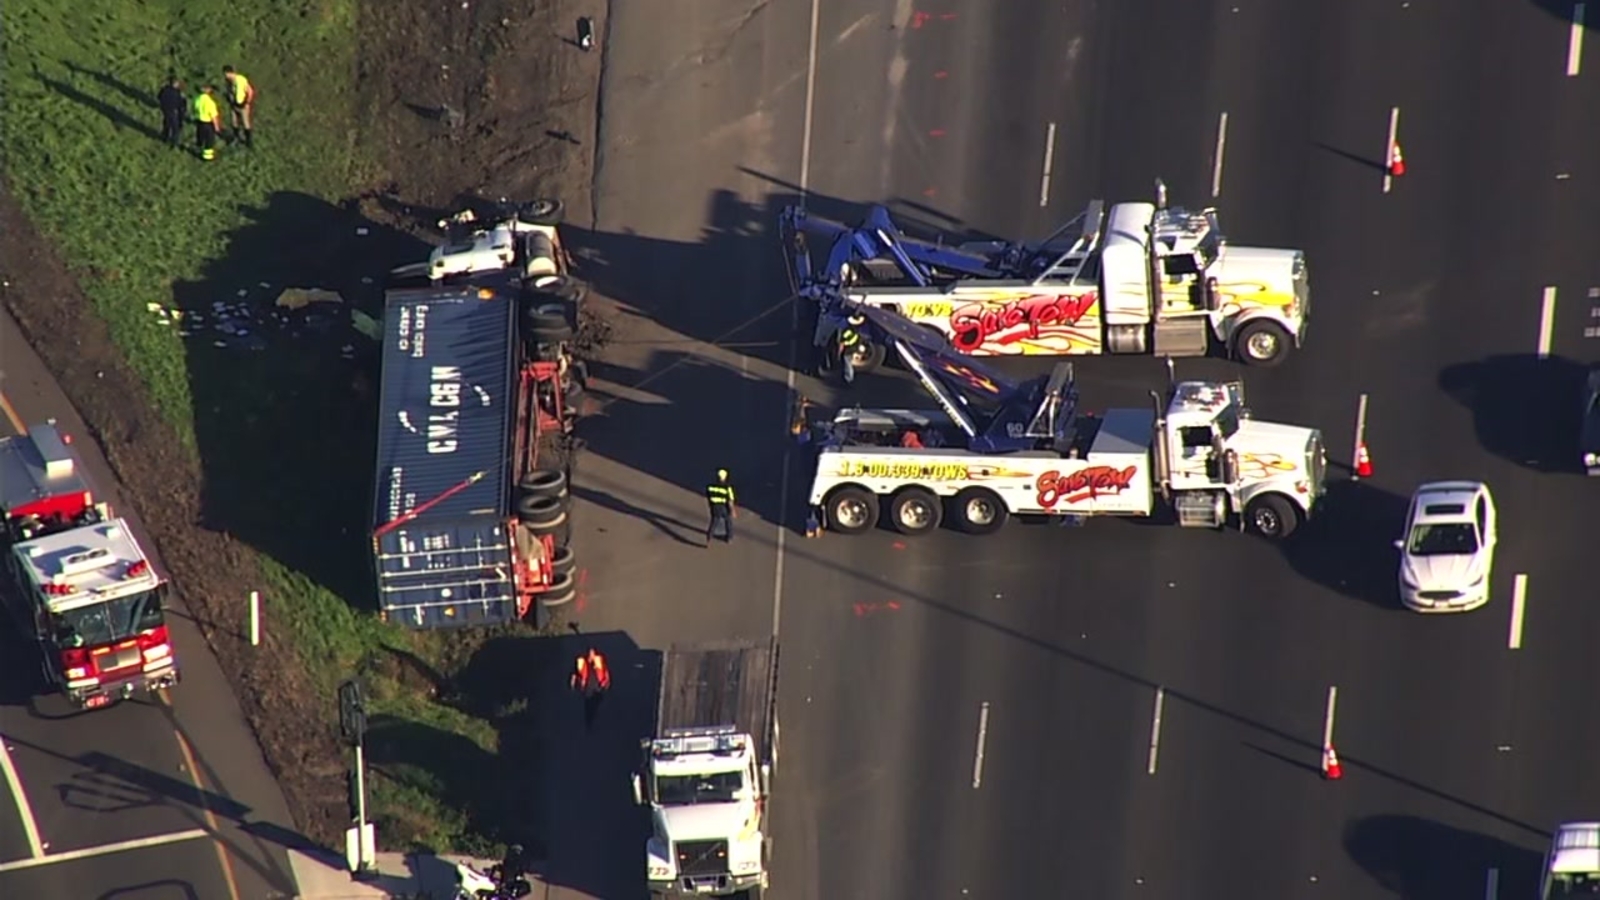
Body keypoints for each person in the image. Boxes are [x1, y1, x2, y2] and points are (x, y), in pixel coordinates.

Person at [570, 647, 610, 730]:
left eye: (593, 653)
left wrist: (606, 682)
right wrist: (572, 683)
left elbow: (605, 671)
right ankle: (589, 724)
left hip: (598, 688)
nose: (592, 655)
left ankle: (593, 718)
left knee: (596, 704)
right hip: (587, 688)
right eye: (590, 653)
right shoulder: (582, 662)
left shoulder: (599, 661)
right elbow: (574, 673)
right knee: (588, 707)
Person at [221, 66, 255, 146]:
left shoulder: (241, 80)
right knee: (234, 121)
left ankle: (249, 141)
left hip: (242, 105)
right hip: (234, 104)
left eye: (225, 74)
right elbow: (229, 91)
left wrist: (247, 102)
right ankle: (236, 138)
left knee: (245, 122)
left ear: (229, 73)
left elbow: (250, 91)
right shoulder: (228, 81)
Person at [705, 468, 737, 545]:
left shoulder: (711, 487)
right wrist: (732, 511)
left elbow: (708, 497)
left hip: (714, 507)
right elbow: (730, 500)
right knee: (728, 520)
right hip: (723, 507)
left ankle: (709, 536)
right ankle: (729, 537)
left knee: (714, 521)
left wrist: (711, 505)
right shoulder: (727, 488)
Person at [193, 85, 222, 160]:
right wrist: (217, 127)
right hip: (208, 124)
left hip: (200, 122)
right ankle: (207, 157)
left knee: (200, 138)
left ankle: (199, 150)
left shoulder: (198, 99)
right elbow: (214, 116)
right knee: (209, 140)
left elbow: (195, 109)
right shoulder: (210, 102)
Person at [157, 74, 186, 148]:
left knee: (166, 124)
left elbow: (159, 97)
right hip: (173, 112)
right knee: (175, 128)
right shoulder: (177, 93)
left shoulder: (164, 89)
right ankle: (174, 142)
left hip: (165, 110)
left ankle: (164, 137)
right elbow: (181, 105)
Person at [837, 315, 865, 385]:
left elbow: (848, 340)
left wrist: (844, 344)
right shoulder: (858, 330)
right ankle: (847, 377)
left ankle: (848, 378)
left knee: (847, 364)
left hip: (849, 349)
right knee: (847, 363)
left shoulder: (850, 331)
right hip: (852, 348)